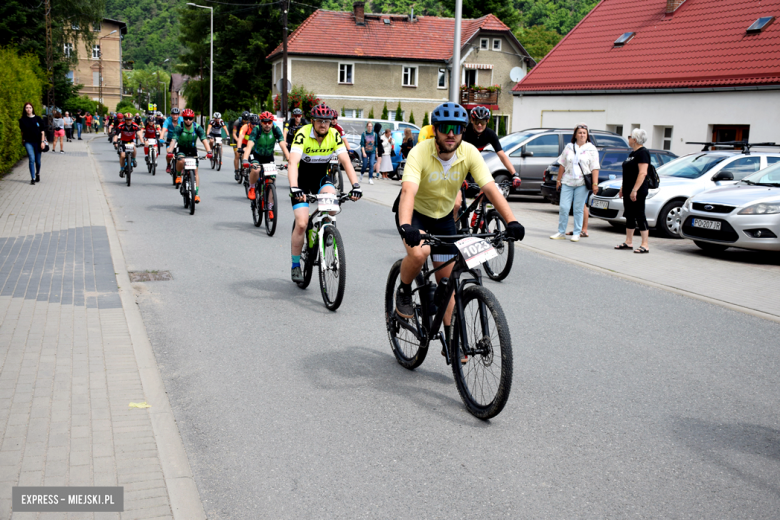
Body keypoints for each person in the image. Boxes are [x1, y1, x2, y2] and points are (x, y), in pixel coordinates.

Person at [393, 102, 525, 358]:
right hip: (415, 215)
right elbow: (408, 190)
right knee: (420, 254)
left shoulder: (469, 153)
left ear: (463, 131)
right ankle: (404, 289)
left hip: (443, 218)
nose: (451, 134)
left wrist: (511, 221)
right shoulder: (419, 152)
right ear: (436, 130)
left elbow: (489, 188)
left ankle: (452, 336)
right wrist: (407, 226)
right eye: (445, 128)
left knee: (447, 280)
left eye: (456, 128)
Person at [288, 104, 362, 283]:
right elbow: (293, 162)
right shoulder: (303, 134)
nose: (323, 124)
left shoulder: (334, 135)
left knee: (333, 207)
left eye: (327, 121)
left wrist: (356, 185)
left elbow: (346, 162)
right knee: (302, 223)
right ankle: (296, 265)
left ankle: (327, 228)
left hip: (322, 178)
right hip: (302, 181)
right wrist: (294, 187)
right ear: (313, 121)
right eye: (320, 121)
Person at [550, 124, 600, 241]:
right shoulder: (569, 147)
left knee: (578, 209)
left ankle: (577, 232)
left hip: (582, 183)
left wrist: (595, 184)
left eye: (584, 133)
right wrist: (558, 179)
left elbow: (595, 167)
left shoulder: (591, 149)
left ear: (587, 135)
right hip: (567, 181)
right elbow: (562, 164)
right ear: (575, 135)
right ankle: (561, 232)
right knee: (564, 207)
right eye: (580, 133)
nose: (582, 135)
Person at [241, 111, 289, 218]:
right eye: (264, 122)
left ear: (272, 122)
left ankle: (270, 206)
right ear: (261, 122)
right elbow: (249, 146)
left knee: (271, 181)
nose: (267, 124)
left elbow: (282, 144)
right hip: (256, 155)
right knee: (256, 169)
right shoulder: (256, 130)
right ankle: (252, 187)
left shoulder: (275, 129)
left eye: (269, 122)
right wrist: (245, 159)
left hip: (269, 156)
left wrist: (289, 159)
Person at [615, 129, 651, 253]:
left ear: (635, 139)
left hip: (638, 190)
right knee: (629, 214)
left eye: (630, 136)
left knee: (640, 215)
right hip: (629, 189)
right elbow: (628, 174)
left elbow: (642, 173)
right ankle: (628, 242)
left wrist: (635, 190)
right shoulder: (632, 154)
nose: (628, 138)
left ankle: (645, 244)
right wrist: (623, 188)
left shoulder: (643, 153)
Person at [167, 108, 212, 203]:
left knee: (195, 172)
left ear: (193, 119)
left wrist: (209, 151)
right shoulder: (179, 127)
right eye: (186, 118)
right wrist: (170, 151)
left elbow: (204, 140)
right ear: (183, 118)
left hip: (192, 150)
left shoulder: (197, 127)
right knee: (181, 160)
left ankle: (196, 194)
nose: (188, 120)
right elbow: (174, 140)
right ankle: (179, 175)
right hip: (182, 149)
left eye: (190, 118)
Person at [19, 103, 45, 184]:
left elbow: (42, 131)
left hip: (38, 141)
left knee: (38, 161)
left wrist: (42, 142)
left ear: (32, 109)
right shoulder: (22, 120)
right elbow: (22, 132)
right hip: (28, 142)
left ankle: (37, 173)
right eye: (26, 108)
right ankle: (33, 178)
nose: (28, 109)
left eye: (30, 107)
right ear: (25, 109)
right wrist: (23, 140)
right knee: (31, 159)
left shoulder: (38, 118)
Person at [160, 108, 181, 174]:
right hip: (170, 139)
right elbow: (163, 130)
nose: (175, 116)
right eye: (173, 114)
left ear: (178, 115)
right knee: (169, 153)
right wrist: (161, 138)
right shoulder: (167, 120)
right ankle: (169, 164)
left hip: (179, 139)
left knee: (181, 154)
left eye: (176, 115)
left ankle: (182, 166)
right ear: (171, 115)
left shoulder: (181, 120)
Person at [232, 111, 250, 176]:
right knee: (237, 155)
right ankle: (236, 171)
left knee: (245, 154)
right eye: (244, 120)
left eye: (247, 120)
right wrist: (238, 140)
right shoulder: (237, 122)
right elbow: (234, 134)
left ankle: (244, 169)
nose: (245, 121)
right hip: (236, 139)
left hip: (245, 140)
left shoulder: (249, 124)